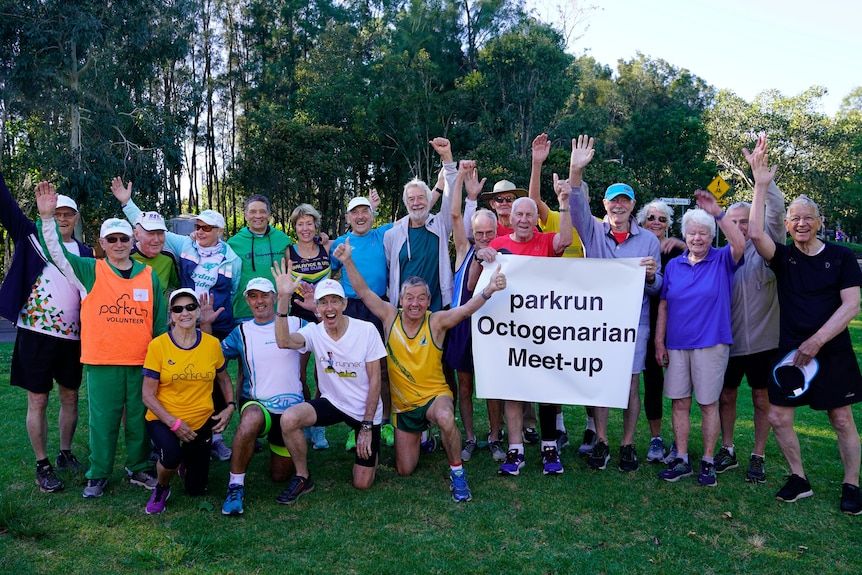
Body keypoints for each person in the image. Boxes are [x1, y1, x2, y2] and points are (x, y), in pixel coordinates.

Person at [334, 235, 508, 501]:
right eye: (409, 298)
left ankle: (458, 474)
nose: (414, 303)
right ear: (400, 299)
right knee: (404, 470)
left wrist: (488, 291)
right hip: (404, 408)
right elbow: (365, 293)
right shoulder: (389, 316)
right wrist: (347, 261)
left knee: (446, 418)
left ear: (428, 301)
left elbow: (464, 311)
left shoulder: (436, 321)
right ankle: (426, 439)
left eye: (421, 298)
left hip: (435, 396)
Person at [747, 136, 862, 514]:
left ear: (818, 223)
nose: (800, 223)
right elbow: (755, 233)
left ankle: (851, 485)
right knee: (779, 416)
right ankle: (799, 478)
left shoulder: (842, 257)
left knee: (841, 418)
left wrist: (817, 341)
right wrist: (760, 185)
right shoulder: (781, 258)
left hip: (832, 351)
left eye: (807, 218)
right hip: (790, 350)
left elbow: (852, 304)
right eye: (794, 217)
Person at [36, 183, 166, 498]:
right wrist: (46, 218)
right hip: (103, 361)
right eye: (112, 239)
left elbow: (159, 322)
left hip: (141, 363)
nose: (119, 244)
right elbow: (55, 251)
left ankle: (138, 468)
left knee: (138, 419)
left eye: (124, 238)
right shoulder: (88, 271)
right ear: (102, 243)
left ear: (133, 241)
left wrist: (163, 361)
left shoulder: (148, 276)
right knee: (103, 422)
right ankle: (98, 474)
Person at [111, 178, 241, 460]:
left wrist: (212, 317)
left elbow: (232, 289)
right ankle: (164, 434)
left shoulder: (233, 258)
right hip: (182, 320)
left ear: (220, 231)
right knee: (170, 380)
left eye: (207, 227)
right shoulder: (183, 245)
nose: (201, 231)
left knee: (214, 380)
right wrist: (126, 202)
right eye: (198, 226)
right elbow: (148, 229)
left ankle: (213, 436)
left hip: (215, 324)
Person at [568, 135, 662, 473]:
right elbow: (576, 207)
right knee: (602, 382)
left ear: (633, 205)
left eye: (624, 201)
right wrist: (575, 171)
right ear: (605, 205)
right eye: (612, 202)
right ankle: (602, 440)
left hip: (636, 323)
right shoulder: (592, 231)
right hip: (598, 323)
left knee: (630, 385)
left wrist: (651, 278)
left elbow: (657, 289)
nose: (618, 207)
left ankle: (627, 443)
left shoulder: (649, 240)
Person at [1, 171, 93, 493]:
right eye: (57, 213)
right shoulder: (31, 238)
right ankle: (42, 466)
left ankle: (65, 453)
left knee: (70, 397)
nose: (63, 219)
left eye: (68, 214)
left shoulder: (88, 254)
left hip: (72, 339)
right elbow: (6, 206)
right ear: (48, 214)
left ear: (76, 219)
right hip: (35, 334)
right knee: (38, 400)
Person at [477, 176, 573, 476]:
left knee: (546, 390)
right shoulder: (498, 243)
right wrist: (482, 255)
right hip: (508, 333)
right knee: (513, 393)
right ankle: (515, 451)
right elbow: (475, 284)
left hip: (544, 331)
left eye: (529, 214)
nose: (523, 219)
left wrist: (564, 204)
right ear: (511, 217)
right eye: (518, 214)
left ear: (536, 219)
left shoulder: (546, 241)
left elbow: (566, 240)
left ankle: (548, 448)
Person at [272, 267, 387, 505]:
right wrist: (283, 298)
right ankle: (303, 476)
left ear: (344, 304)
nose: (330, 307)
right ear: (317, 308)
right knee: (289, 419)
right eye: (323, 303)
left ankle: (369, 445)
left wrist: (366, 427)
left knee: (362, 482)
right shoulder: (314, 332)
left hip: (364, 409)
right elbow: (284, 341)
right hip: (333, 402)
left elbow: (376, 380)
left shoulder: (366, 330)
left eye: (335, 301)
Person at [654, 196, 745, 487]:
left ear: (712, 236)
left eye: (703, 233)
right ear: (684, 234)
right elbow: (665, 305)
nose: (697, 237)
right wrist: (659, 342)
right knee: (679, 402)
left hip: (711, 343)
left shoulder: (721, 259)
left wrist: (717, 213)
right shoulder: (674, 266)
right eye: (692, 232)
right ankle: (681, 458)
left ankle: (707, 461)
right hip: (677, 345)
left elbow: (739, 243)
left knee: (707, 404)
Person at [715, 153, 785, 483]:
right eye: (734, 222)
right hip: (728, 341)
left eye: (745, 221)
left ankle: (758, 454)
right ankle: (727, 450)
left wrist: (762, 185)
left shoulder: (768, 252)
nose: (741, 227)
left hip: (763, 342)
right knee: (726, 396)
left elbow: (773, 220)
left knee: (761, 398)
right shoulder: (720, 258)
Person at [141, 289, 236, 514]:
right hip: (163, 418)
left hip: (200, 420)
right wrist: (174, 424)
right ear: (171, 315)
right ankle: (162, 488)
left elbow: (223, 379)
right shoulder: (158, 346)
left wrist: (230, 406)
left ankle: (187, 460)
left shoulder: (212, 344)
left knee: (196, 489)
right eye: (178, 309)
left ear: (198, 312)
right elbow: (147, 395)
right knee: (171, 457)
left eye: (190, 307)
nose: (185, 313)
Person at [219, 278, 305, 516]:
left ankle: (276, 449)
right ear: (247, 300)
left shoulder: (298, 322)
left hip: (291, 413)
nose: (260, 301)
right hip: (257, 404)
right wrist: (205, 326)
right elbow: (212, 358)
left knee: (279, 475)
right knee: (250, 420)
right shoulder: (241, 332)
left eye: (265, 295)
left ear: (275, 297)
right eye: (254, 296)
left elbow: (329, 340)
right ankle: (235, 486)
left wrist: (313, 308)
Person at [445, 161, 505, 462]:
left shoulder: (505, 251)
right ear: (472, 232)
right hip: (464, 326)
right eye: (479, 232)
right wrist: (460, 183)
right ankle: (469, 437)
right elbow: (455, 213)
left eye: (489, 232)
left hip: (494, 326)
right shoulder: (464, 250)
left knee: (493, 384)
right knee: (465, 385)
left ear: (497, 230)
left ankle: (495, 436)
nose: (484, 237)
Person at [330, 190, 396, 450]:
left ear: (372, 215)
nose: (360, 216)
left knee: (383, 368)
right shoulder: (341, 242)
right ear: (347, 217)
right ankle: (354, 425)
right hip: (352, 308)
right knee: (354, 369)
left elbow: (414, 216)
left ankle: (387, 421)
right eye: (355, 212)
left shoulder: (382, 235)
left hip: (379, 306)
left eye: (364, 211)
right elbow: (327, 271)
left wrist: (438, 187)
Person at [635, 200, 686, 463]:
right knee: (652, 382)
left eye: (662, 219)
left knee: (680, 386)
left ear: (669, 224)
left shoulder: (677, 250)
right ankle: (656, 439)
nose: (656, 222)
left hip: (677, 325)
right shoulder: (637, 248)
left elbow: (704, 255)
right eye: (651, 218)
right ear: (642, 222)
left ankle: (681, 441)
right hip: (646, 322)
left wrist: (682, 245)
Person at [383, 137, 457, 312]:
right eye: (411, 199)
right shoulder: (391, 235)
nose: (416, 202)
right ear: (406, 203)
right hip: (403, 312)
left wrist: (447, 158)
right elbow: (388, 271)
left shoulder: (441, 225)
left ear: (429, 199)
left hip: (437, 310)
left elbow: (451, 197)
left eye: (421, 197)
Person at [286, 203, 333, 450]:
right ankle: (305, 418)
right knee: (300, 373)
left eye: (309, 223)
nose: (305, 228)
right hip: (300, 317)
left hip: (325, 316)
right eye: (300, 224)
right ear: (295, 227)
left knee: (322, 372)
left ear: (316, 225)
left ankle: (319, 424)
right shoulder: (289, 252)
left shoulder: (326, 246)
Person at [227, 194, 292, 323]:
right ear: (245, 215)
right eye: (252, 212)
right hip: (244, 312)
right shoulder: (233, 243)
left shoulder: (282, 239)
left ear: (268, 215)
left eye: (262, 212)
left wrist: (321, 240)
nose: (257, 216)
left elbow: (301, 256)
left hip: (278, 310)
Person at [130, 210, 179, 306]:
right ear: (136, 235)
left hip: (160, 318)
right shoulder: (126, 256)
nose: (156, 240)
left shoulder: (168, 257)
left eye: (160, 233)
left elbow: (180, 285)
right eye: (150, 233)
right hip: (131, 317)